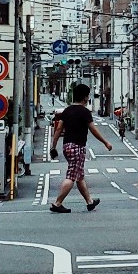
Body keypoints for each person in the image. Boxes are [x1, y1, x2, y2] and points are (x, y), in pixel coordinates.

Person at [50, 84, 112, 213]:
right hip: (77, 147)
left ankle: (90, 202)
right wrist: (105, 142)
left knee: (79, 175)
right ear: (85, 97)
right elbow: (93, 129)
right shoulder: (84, 112)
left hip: (66, 146)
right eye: (88, 96)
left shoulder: (66, 111)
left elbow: (58, 129)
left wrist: (53, 146)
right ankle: (57, 203)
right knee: (72, 176)